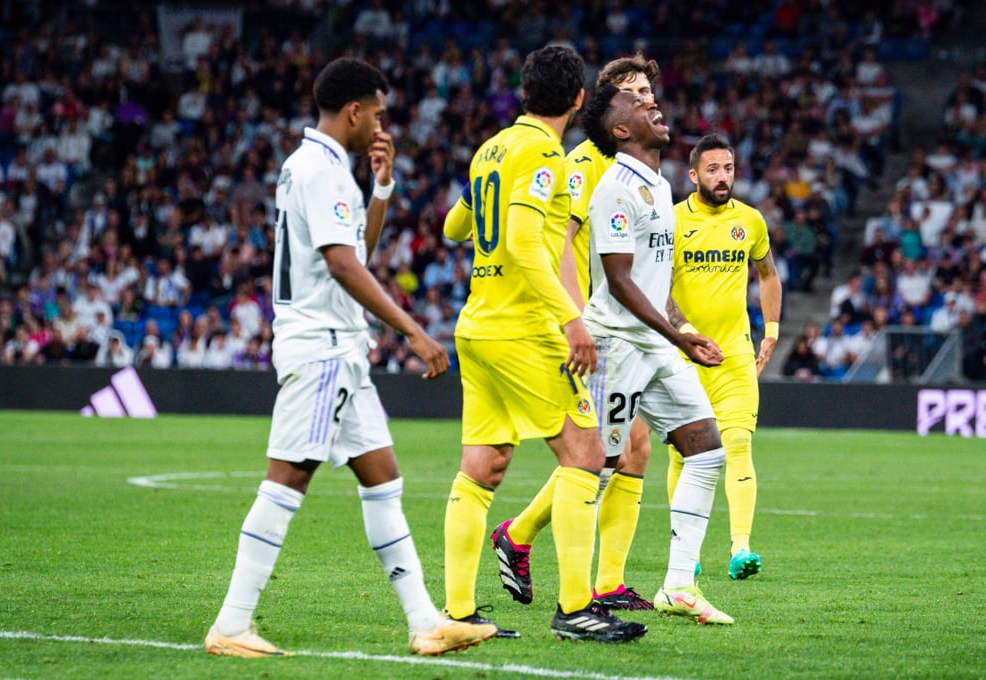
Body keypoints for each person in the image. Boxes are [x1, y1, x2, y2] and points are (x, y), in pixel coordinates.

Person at [204, 57, 495, 659]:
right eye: (379, 115)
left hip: (338, 349)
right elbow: (342, 265)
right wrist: (412, 330)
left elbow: (354, 251)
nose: (382, 127)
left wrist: (381, 187)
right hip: (323, 348)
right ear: (355, 111)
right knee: (287, 478)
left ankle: (426, 622)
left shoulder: (309, 164)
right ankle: (231, 623)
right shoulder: (324, 171)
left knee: (383, 479)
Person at [440, 45, 647, 643]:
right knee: (586, 454)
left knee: (483, 466)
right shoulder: (543, 153)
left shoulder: (492, 148)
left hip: (479, 326)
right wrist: (571, 320)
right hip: (523, 329)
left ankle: (458, 614)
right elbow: (526, 243)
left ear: (524, 92)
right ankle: (576, 610)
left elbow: (454, 227)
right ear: (580, 98)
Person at [490, 53, 663, 614]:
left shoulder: (637, 166)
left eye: (648, 92)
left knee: (633, 449)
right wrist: (574, 318)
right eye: (633, 92)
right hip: (594, 328)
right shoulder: (583, 163)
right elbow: (560, 241)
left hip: (630, 328)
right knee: (604, 451)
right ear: (606, 102)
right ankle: (525, 538)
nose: (645, 100)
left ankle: (604, 579)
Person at [585, 82, 733, 623]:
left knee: (707, 450)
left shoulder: (660, 184)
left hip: (655, 344)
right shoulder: (615, 188)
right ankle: (555, 574)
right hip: (616, 343)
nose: (652, 104)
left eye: (650, 98)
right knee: (595, 470)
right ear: (621, 129)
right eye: (636, 103)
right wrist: (678, 338)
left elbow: (655, 281)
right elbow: (621, 281)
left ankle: (678, 586)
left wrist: (683, 328)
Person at [668, 134, 782, 580]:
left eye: (729, 168)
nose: (723, 177)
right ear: (693, 174)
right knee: (683, 455)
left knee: (737, 444)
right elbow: (656, 288)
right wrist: (685, 334)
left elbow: (768, 274)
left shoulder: (750, 221)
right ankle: (687, 551)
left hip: (734, 354)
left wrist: (771, 331)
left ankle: (741, 548)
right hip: (683, 356)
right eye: (713, 169)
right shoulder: (672, 221)